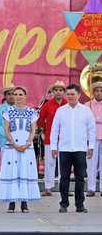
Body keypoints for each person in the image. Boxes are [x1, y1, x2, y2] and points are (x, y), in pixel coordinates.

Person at [50, 84, 96, 213]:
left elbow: (92, 130)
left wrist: (91, 146)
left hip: (80, 149)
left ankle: (80, 205)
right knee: (64, 178)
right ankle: (63, 204)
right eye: (68, 94)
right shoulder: (61, 111)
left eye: (72, 94)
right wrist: (54, 146)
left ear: (78, 95)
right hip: (64, 149)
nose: (69, 96)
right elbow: (55, 130)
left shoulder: (86, 110)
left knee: (80, 178)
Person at [0, 87, 40, 213]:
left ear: (25, 96)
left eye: (21, 94)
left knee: (24, 171)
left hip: (27, 146)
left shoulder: (32, 112)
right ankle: (11, 202)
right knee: (12, 172)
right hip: (12, 146)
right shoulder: (8, 111)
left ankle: (24, 203)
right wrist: (14, 144)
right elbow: (6, 129)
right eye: (15, 94)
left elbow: (33, 130)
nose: (18, 96)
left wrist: (27, 143)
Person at [37, 81, 67, 196]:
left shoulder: (68, 103)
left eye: (61, 90)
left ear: (64, 92)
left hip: (66, 139)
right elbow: (40, 120)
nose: (58, 92)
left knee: (65, 164)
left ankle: (64, 188)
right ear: (53, 92)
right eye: (56, 90)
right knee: (50, 163)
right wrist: (45, 129)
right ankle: (48, 188)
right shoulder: (47, 105)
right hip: (50, 138)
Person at [87, 81, 102, 197]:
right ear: (93, 92)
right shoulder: (87, 105)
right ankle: (91, 188)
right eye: (96, 91)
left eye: (101, 91)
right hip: (92, 137)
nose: (99, 93)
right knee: (91, 163)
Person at [0, 85, 16, 150]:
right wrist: (8, 135)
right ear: (5, 96)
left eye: (13, 94)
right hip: (4, 141)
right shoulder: (0, 108)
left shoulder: (19, 108)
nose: (11, 96)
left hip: (18, 141)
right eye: (9, 94)